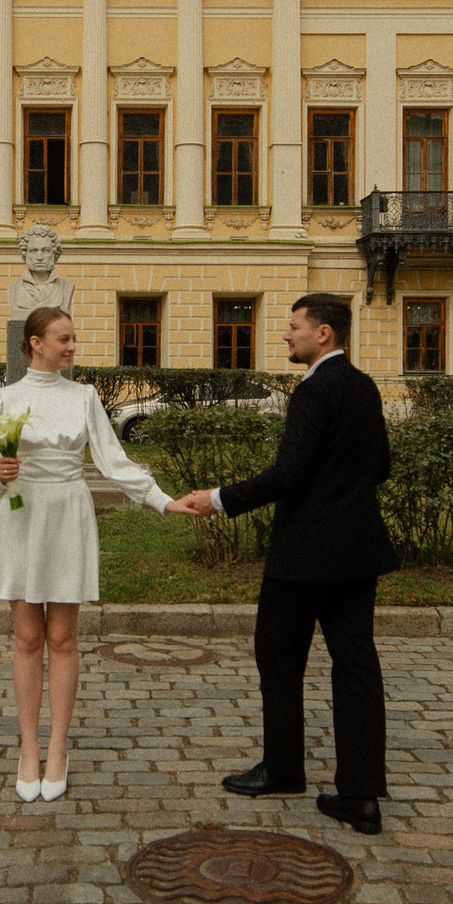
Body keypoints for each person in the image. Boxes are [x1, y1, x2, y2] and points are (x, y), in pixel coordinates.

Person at [167, 292, 398, 834]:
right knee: (357, 668)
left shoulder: (314, 391)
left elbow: (289, 474)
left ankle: (284, 768)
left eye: (294, 326)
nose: (286, 335)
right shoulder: (364, 387)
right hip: (357, 552)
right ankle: (361, 795)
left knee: (278, 660)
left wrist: (218, 498)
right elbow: (382, 466)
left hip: (303, 557)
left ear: (323, 333)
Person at [0, 305, 173, 801]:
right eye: (63, 339)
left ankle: (58, 748)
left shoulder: (83, 396)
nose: (72, 347)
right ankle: (28, 749)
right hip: (21, 515)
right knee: (26, 637)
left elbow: (113, 461)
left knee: (62, 638)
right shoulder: (3, 399)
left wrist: (162, 500)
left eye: (73, 338)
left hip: (66, 515)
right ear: (35, 343)